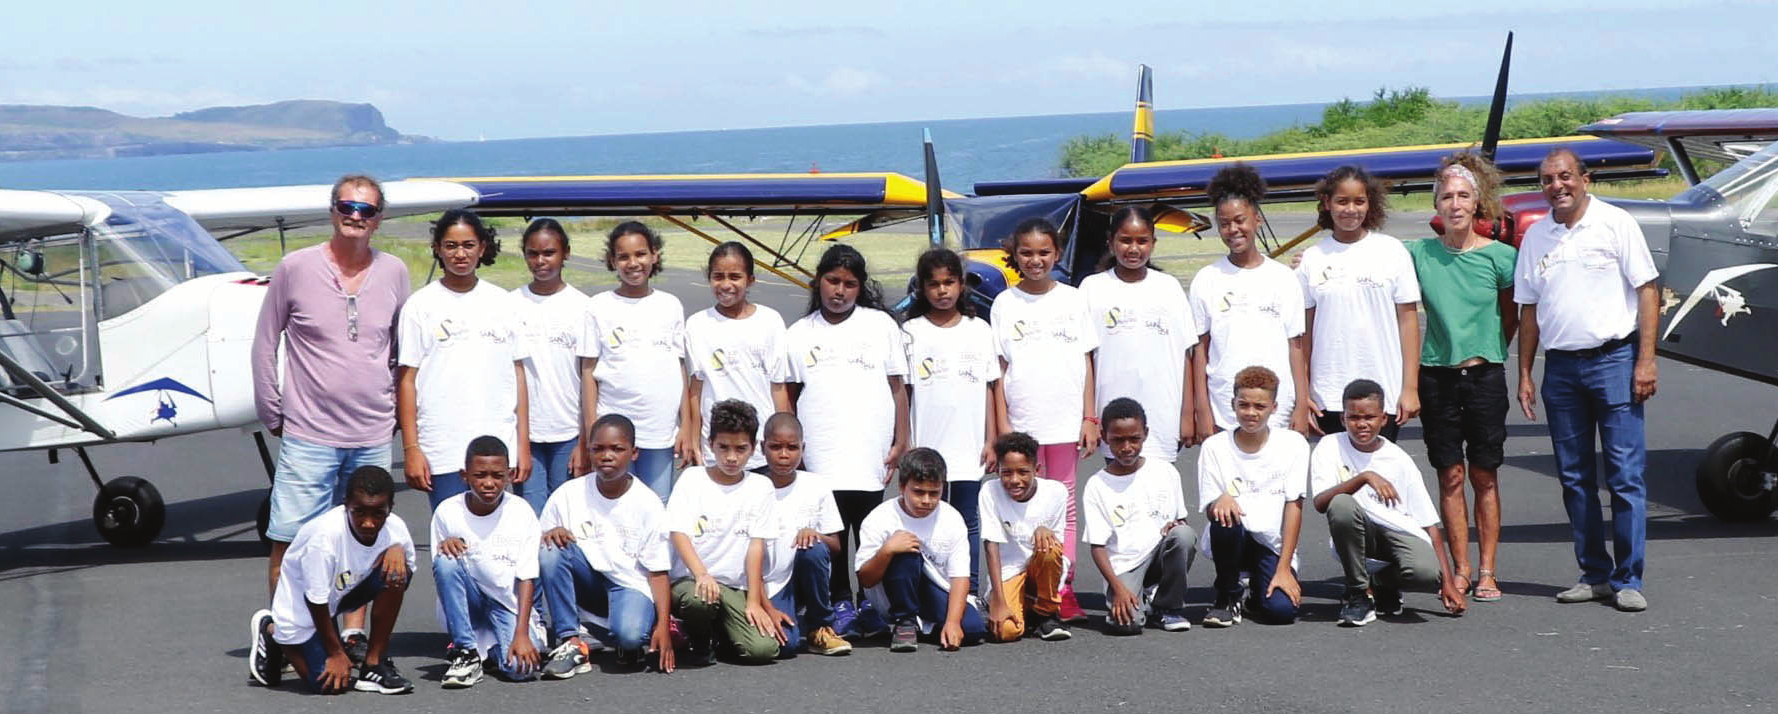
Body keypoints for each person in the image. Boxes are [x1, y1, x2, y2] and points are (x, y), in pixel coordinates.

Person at [251, 174, 408, 655]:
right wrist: (273, 411)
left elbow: (401, 351)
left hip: (372, 432)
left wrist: (399, 415)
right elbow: (264, 340)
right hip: (309, 434)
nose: (355, 217)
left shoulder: (396, 271)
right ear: (332, 210)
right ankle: (284, 637)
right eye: (347, 206)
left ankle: (353, 635)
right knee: (291, 541)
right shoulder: (295, 267)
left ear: (379, 218)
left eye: (366, 210)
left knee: (366, 540)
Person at [1515, 147, 1660, 612]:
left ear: (1585, 178)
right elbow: (1529, 310)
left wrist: (1646, 360)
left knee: (1624, 475)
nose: (1557, 186)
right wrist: (1524, 372)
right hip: (1561, 368)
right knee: (1574, 477)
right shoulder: (1537, 237)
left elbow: (1648, 290)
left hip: (1614, 359)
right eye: (1547, 180)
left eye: (1565, 177)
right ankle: (1593, 574)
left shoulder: (1616, 223)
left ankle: (1628, 578)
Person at [1407, 153, 1519, 603]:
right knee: (1449, 475)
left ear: (1478, 203)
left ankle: (1488, 569)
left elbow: (1511, 316)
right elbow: (1366, 262)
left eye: (1463, 196)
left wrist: (1491, 351)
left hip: (1484, 376)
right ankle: (1460, 567)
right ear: (1437, 204)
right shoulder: (1418, 254)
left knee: (1484, 475)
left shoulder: (1501, 258)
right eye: (1446, 196)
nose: (1454, 204)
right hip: (1436, 377)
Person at [784, 243, 909, 636]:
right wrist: (795, 446)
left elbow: (898, 388)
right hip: (821, 448)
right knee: (833, 535)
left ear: (860, 287)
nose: (839, 290)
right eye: (832, 281)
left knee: (868, 531)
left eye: (849, 284)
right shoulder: (800, 333)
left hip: (869, 446)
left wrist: (901, 440)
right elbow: (788, 394)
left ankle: (871, 604)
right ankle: (838, 603)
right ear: (818, 282)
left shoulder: (881, 326)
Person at [990, 217, 1099, 621]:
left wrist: (1090, 416)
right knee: (1022, 503)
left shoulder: (1073, 298)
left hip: (1066, 420)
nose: (1036, 260)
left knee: (1065, 507)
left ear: (1057, 253)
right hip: (1023, 424)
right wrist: (1003, 426)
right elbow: (999, 370)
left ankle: (1062, 587)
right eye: (1027, 253)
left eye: (1044, 252)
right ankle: (1028, 583)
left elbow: (1088, 360)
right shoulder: (1005, 303)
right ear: (1014, 255)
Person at [396, 209, 530, 510]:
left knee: (500, 540)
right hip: (443, 449)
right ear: (437, 249)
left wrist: (522, 444)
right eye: (451, 245)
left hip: (499, 446)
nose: (460, 254)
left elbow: (518, 375)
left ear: (482, 248)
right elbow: (407, 381)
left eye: (469, 245)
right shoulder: (419, 306)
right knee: (451, 543)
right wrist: (411, 448)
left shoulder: (503, 303)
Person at [1310, 379, 1467, 627]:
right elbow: (1320, 503)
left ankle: (1382, 584)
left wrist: (1447, 583)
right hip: (1358, 532)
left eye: (1370, 417)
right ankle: (1358, 594)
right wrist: (1364, 478)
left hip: (1395, 534)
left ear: (1384, 419)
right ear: (1343, 419)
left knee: (1427, 574)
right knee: (1341, 504)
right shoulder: (1330, 446)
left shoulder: (1398, 459)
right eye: (1354, 418)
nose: (1361, 424)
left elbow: (1429, 524)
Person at [248, 466, 415, 695]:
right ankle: (272, 631)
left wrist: (397, 549)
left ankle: (373, 665)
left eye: (378, 514)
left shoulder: (396, 528)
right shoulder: (324, 538)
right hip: (305, 607)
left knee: (396, 574)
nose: (368, 523)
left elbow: (404, 581)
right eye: (359, 512)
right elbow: (315, 601)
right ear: (346, 504)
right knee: (329, 684)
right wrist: (336, 653)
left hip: (342, 594)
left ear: (390, 509)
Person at [536, 414, 675, 677]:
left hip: (629, 586)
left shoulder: (648, 503)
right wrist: (552, 532)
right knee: (550, 548)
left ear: (634, 453)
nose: (606, 456)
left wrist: (664, 627)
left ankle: (627, 636)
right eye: (598, 449)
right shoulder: (568, 494)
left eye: (617, 449)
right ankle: (571, 640)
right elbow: (540, 557)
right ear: (588, 451)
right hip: (589, 585)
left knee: (631, 636)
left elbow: (658, 572)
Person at [1297, 165, 1421, 441]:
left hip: (1382, 393)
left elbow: (1408, 321)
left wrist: (1410, 387)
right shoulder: (1311, 259)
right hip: (1328, 394)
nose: (1350, 209)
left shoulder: (1392, 251)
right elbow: (1303, 334)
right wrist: (1303, 393)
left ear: (1370, 204)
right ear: (1327, 203)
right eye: (1342, 201)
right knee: (1336, 479)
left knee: (1380, 477)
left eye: (1359, 201)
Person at [903, 247, 1000, 596]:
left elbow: (990, 389)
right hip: (927, 447)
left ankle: (970, 593)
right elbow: (906, 395)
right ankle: (924, 595)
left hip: (969, 448)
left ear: (962, 285)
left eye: (949, 282)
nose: (942, 291)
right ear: (922, 289)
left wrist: (992, 440)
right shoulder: (911, 332)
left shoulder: (980, 330)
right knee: (926, 524)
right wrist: (906, 442)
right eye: (934, 284)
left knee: (968, 524)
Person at [1190, 163, 1311, 436]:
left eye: (1240, 220)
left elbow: (1296, 347)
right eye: (1224, 223)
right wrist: (1202, 409)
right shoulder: (1206, 279)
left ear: (1256, 219)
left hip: (1277, 409)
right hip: (1224, 408)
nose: (1233, 229)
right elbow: (1200, 350)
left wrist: (1301, 405)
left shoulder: (1283, 278)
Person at [578, 221, 688, 501]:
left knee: (656, 505)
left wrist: (686, 425)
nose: (633, 263)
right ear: (612, 261)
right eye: (624, 256)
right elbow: (588, 372)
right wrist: (592, 433)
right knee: (613, 505)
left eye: (640, 254)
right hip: (612, 435)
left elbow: (680, 367)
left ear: (655, 256)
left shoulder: (671, 305)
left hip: (659, 430)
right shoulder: (598, 306)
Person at [665, 400, 781, 666]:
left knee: (763, 650)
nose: (731, 457)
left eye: (741, 449)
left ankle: (723, 634)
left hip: (734, 587)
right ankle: (699, 638)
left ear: (753, 449)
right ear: (710, 444)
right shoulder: (692, 479)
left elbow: (756, 546)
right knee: (699, 602)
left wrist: (753, 601)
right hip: (692, 581)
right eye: (723, 447)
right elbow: (679, 534)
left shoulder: (760, 487)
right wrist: (701, 574)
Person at [1082, 204, 1201, 461]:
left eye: (1142, 241)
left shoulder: (1168, 287)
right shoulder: (1092, 288)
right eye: (1125, 240)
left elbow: (1187, 355)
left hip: (1162, 415)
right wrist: (1090, 417)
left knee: (1160, 493)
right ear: (1110, 242)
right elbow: (1085, 361)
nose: (1133, 248)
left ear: (1153, 243)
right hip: (1112, 417)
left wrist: (1188, 415)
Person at [1196, 366, 1308, 627]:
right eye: (1243, 405)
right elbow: (1209, 509)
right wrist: (1218, 500)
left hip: (1270, 543)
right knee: (1225, 517)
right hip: (1233, 537)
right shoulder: (1214, 446)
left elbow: (1295, 507)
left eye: (1260, 406)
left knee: (1282, 612)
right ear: (1233, 404)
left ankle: (1259, 588)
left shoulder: (1294, 445)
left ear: (1274, 407)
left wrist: (1284, 569)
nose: (1251, 413)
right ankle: (1227, 596)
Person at [429, 436, 543, 688]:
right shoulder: (447, 512)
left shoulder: (521, 512)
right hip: (469, 603)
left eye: (497, 475)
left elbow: (527, 577)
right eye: (480, 475)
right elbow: (443, 575)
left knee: (520, 670)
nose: (489, 483)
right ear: (464, 475)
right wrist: (444, 547)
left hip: (505, 604)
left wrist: (522, 634)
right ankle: (466, 652)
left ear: (510, 475)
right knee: (445, 560)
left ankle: (491, 648)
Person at [854, 447, 988, 652]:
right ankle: (905, 622)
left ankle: (929, 626)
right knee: (905, 548)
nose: (926, 500)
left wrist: (952, 622)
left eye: (934, 493)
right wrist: (887, 551)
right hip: (891, 594)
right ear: (901, 487)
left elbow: (960, 576)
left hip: (931, 590)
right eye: (918, 492)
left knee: (973, 629)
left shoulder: (952, 518)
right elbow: (865, 579)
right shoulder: (880, 518)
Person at [1083, 398, 1196, 635]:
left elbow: (1180, 523)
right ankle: (1137, 598)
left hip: (1156, 557)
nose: (1126, 447)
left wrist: (1175, 526)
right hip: (1123, 566)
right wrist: (1118, 588)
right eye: (1118, 440)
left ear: (1145, 434)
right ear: (1105, 437)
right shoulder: (1097, 485)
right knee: (1126, 624)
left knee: (1184, 536)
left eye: (1134, 439)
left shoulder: (1166, 472)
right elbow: (1098, 547)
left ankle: (1167, 607)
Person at [683, 241, 791, 471]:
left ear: (750, 280)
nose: (726, 284)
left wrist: (784, 439)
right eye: (718, 276)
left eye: (735, 276)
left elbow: (778, 388)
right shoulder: (697, 325)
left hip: (761, 449)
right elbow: (695, 390)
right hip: (716, 451)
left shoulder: (770, 321)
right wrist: (694, 442)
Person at [754, 411, 853, 656]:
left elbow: (837, 546)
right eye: (775, 447)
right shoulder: (751, 486)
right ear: (762, 447)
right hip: (765, 583)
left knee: (814, 549)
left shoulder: (816, 485)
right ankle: (797, 625)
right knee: (784, 646)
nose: (784, 455)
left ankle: (821, 625)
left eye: (792, 447)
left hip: (799, 578)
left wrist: (815, 535)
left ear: (803, 448)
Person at [513, 219, 591, 514]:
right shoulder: (510, 305)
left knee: (567, 518)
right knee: (532, 517)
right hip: (526, 435)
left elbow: (589, 378)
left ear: (566, 253)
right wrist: (516, 440)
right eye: (533, 254)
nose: (541, 261)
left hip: (569, 434)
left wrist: (585, 441)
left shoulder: (583, 307)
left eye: (549, 252)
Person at [978, 431, 1070, 642]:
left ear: (1037, 470)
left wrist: (1045, 529)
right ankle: (1018, 606)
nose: (1014, 480)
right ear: (997, 471)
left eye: (1023, 472)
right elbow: (991, 547)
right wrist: (999, 602)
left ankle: (1045, 614)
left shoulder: (1056, 492)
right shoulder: (989, 492)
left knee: (1048, 546)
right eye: (1006, 472)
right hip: (1010, 571)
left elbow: (1057, 549)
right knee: (1006, 632)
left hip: (1041, 568)